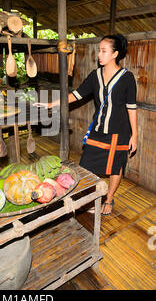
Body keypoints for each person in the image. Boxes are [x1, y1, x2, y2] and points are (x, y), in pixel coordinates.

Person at [34, 34, 137, 216]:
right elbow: (76, 95)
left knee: (116, 166)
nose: (99, 54)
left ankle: (110, 198)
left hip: (119, 133)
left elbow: (131, 108)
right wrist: (50, 104)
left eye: (104, 51)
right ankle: (90, 198)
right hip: (97, 130)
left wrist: (134, 135)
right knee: (86, 165)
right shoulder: (95, 75)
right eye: (99, 50)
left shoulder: (127, 78)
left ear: (115, 54)